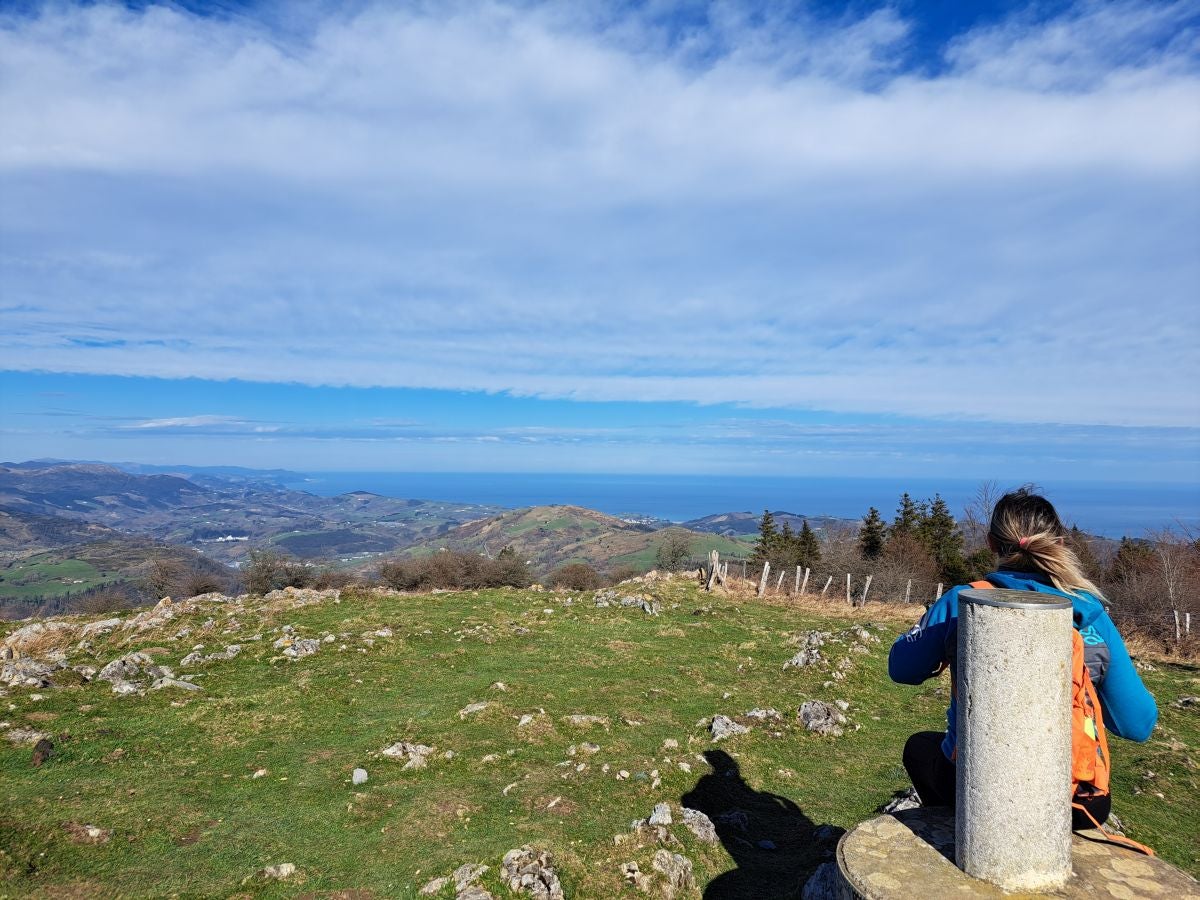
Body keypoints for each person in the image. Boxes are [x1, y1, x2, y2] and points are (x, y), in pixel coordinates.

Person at [888, 486, 1157, 829]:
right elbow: (1137, 724)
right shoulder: (1090, 617)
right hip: (1078, 802)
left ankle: (960, 836)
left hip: (976, 790)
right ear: (1059, 543)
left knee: (920, 748)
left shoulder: (962, 603)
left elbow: (901, 668)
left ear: (990, 543)